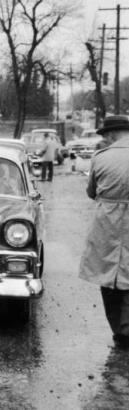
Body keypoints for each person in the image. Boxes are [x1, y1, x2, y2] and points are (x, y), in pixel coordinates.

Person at [78, 115, 129, 348]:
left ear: (110, 134)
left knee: (106, 275)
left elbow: (92, 191)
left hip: (108, 221)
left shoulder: (101, 157)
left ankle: (119, 329)